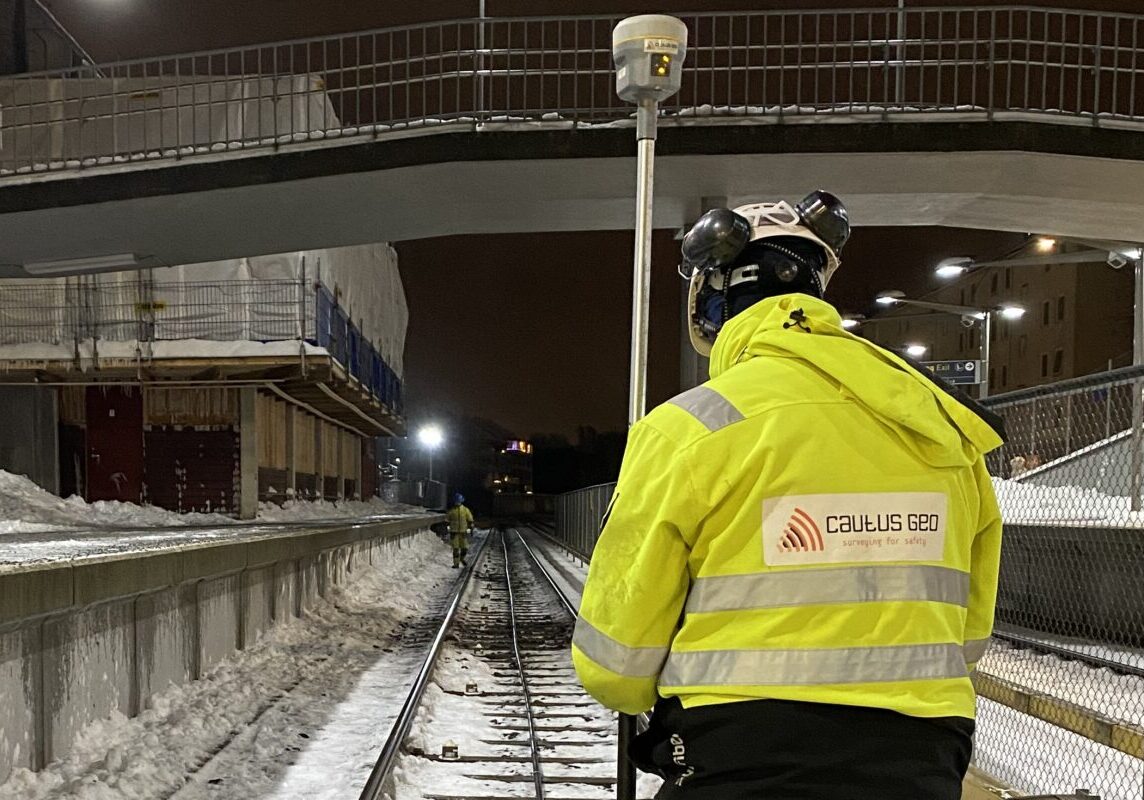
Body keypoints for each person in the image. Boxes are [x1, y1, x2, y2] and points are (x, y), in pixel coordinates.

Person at [572, 191, 1006, 800]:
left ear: (714, 297)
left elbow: (618, 663)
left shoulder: (688, 429)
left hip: (741, 751)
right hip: (922, 754)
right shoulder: (940, 427)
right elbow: (967, 635)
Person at [445, 493, 474, 568]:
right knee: (456, 549)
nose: (457, 502)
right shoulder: (451, 511)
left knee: (464, 548)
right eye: (456, 501)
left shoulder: (465, 510)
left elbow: (470, 519)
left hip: (463, 532)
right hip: (454, 532)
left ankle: (461, 559)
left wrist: (471, 527)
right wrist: (448, 528)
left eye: (458, 501)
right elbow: (447, 520)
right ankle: (456, 563)